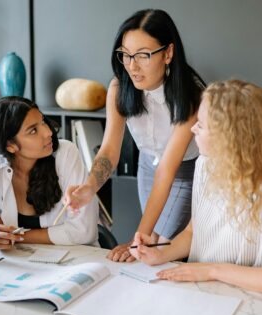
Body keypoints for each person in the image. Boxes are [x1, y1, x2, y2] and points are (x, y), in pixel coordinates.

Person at [129, 79, 262, 298]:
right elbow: (193, 232)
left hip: (255, 303)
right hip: (204, 295)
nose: (193, 128)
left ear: (230, 137)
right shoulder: (205, 165)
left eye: (202, 125)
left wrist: (212, 270)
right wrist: (161, 253)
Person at [65, 9, 205, 262]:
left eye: (143, 55)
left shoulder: (191, 95)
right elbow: (109, 151)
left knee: (160, 248)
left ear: (168, 53)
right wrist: (88, 188)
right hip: (147, 167)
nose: (132, 66)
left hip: (184, 171)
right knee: (149, 248)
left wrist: (138, 237)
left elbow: (168, 169)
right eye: (126, 55)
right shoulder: (119, 88)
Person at [0, 96, 99, 249]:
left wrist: (16, 236)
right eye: (33, 130)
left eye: (43, 122)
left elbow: (83, 232)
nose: (47, 132)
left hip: (77, 261)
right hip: (24, 266)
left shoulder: (65, 153)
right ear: (10, 146)